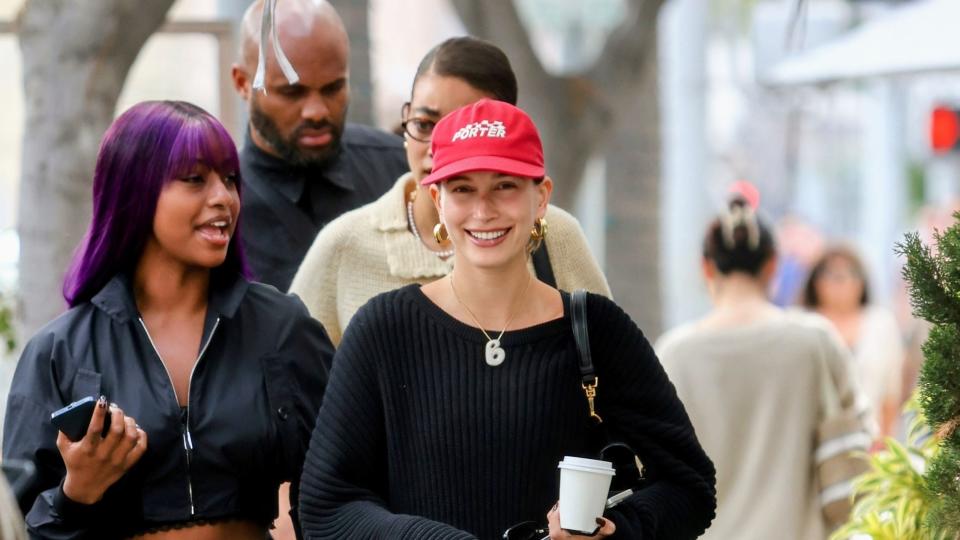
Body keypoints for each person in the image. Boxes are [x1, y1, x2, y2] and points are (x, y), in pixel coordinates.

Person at [298, 99, 716, 539]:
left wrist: (615, 532)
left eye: (504, 186)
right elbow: (328, 503)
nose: (483, 211)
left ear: (542, 198)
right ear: (437, 199)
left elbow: (689, 486)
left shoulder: (597, 330)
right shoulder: (382, 331)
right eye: (462, 189)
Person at [2, 101, 333, 539]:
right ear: (133, 192)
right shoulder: (60, 351)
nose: (223, 197)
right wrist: (77, 491)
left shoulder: (282, 327)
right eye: (195, 179)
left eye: (230, 179)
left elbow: (344, 481)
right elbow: (19, 526)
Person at [290, 36, 611, 346]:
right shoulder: (345, 243)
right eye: (425, 125)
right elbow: (295, 382)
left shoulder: (556, 236)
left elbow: (613, 368)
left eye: (461, 130)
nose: (437, 149)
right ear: (405, 120)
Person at [656, 199, 863, 539]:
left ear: (706, 268)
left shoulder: (673, 354)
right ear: (772, 266)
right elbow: (851, 466)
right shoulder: (815, 342)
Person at [231, 0, 408, 291]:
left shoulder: (398, 171)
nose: (316, 111)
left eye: (333, 88)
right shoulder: (218, 206)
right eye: (292, 92)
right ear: (242, 83)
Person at [802, 245, 905, 438]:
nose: (842, 281)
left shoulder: (880, 324)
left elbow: (891, 394)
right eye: (832, 274)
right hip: (813, 440)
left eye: (850, 273)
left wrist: (885, 443)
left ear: (862, 281)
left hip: (868, 440)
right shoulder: (801, 324)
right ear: (815, 281)